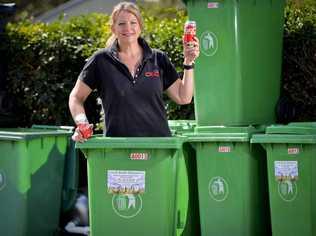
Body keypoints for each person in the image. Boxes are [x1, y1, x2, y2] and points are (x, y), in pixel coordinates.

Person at [69, 1, 200, 141]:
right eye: (121, 24)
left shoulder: (158, 58)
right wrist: (82, 122)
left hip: (158, 147)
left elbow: (183, 97)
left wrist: (188, 62)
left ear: (140, 26)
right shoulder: (101, 60)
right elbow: (76, 97)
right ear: (113, 29)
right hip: (117, 148)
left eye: (133, 22)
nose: (128, 28)